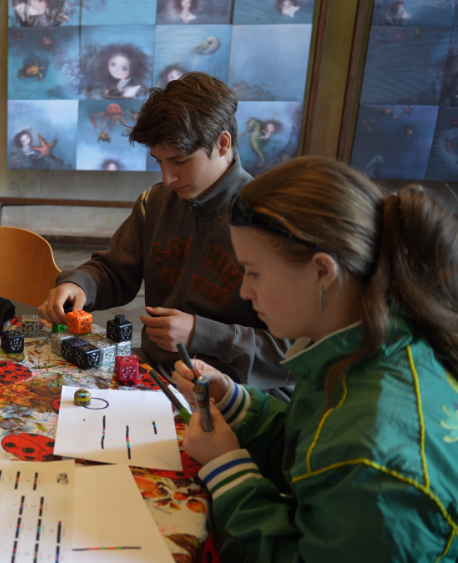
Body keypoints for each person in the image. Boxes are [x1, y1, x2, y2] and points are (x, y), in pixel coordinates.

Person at [173, 156, 458, 560]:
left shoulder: (372, 460)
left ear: (323, 271)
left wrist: (226, 469)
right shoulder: (372, 341)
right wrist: (236, 400)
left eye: (253, 272)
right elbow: (312, 444)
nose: (244, 292)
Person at [39, 72, 291, 391]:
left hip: (237, 394)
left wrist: (201, 334)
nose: (168, 177)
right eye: (159, 161)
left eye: (180, 161)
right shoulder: (155, 203)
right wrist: (81, 284)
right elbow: (115, 271)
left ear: (223, 143)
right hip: (156, 373)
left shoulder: (271, 223)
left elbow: (293, 352)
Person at [82, 44, 150, 100]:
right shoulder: (101, 83)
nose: (116, 70)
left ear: (132, 70)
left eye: (124, 68)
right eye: (113, 64)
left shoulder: (133, 88)